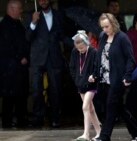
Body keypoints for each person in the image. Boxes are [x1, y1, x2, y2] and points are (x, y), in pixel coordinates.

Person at [90, 13, 137, 141]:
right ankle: (136, 132)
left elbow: (131, 59)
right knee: (118, 107)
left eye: (107, 26)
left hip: (117, 79)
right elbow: (99, 58)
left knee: (110, 106)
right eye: (102, 27)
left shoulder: (122, 38)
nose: (104, 30)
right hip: (104, 79)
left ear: (113, 24)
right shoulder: (103, 36)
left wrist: (127, 75)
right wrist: (94, 74)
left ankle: (104, 136)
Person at [25, 0, 65, 128]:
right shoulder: (32, 15)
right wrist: (33, 23)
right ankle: (38, 118)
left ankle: (55, 118)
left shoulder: (58, 15)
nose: (42, 1)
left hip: (54, 57)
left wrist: (78, 42)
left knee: (55, 90)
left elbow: (62, 36)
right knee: (37, 90)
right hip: (37, 59)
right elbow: (27, 37)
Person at [0, 0, 29, 128]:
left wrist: (25, 57)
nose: (21, 11)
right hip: (9, 68)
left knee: (20, 95)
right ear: (11, 9)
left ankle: (20, 120)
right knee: (9, 97)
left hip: (18, 68)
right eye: (19, 9)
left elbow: (25, 42)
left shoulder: (18, 23)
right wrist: (20, 58)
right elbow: (5, 47)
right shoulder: (4, 26)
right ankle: (7, 122)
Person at [69, 30, 101, 141]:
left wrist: (93, 76)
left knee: (85, 107)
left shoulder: (93, 52)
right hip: (80, 83)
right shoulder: (75, 52)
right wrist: (76, 79)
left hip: (91, 84)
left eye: (82, 47)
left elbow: (97, 67)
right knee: (91, 109)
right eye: (79, 48)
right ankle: (99, 132)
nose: (81, 50)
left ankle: (86, 134)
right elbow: (72, 67)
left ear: (87, 43)